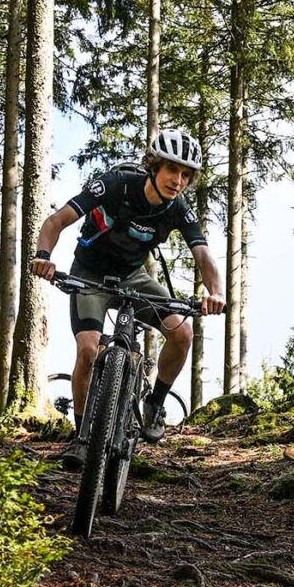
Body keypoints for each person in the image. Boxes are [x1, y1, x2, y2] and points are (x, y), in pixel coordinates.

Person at [29, 131, 226, 469]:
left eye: (186, 175)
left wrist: (216, 292)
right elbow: (56, 220)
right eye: (172, 170)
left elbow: (203, 255)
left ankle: (154, 404)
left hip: (134, 278)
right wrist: (43, 256)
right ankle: (82, 437)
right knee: (89, 350)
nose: (178, 181)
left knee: (182, 333)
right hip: (89, 275)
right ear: (154, 166)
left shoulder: (178, 208)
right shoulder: (115, 185)